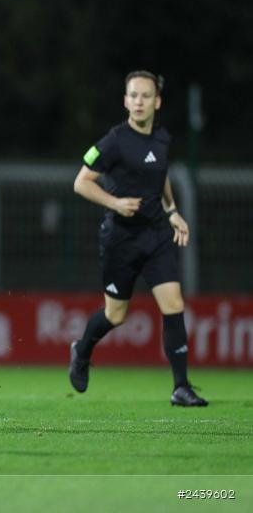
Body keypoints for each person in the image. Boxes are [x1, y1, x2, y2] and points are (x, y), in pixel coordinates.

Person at [70, 70, 207, 406]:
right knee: (116, 315)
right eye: (133, 95)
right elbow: (81, 182)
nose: (139, 101)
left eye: (146, 96)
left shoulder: (161, 138)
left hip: (157, 234)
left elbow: (160, 176)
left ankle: (181, 387)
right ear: (125, 101)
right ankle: (82, 350)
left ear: (157, 101)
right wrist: (115, 202)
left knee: (173, 304)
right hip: (121, 239)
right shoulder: (114, 141)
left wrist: (173, 211)